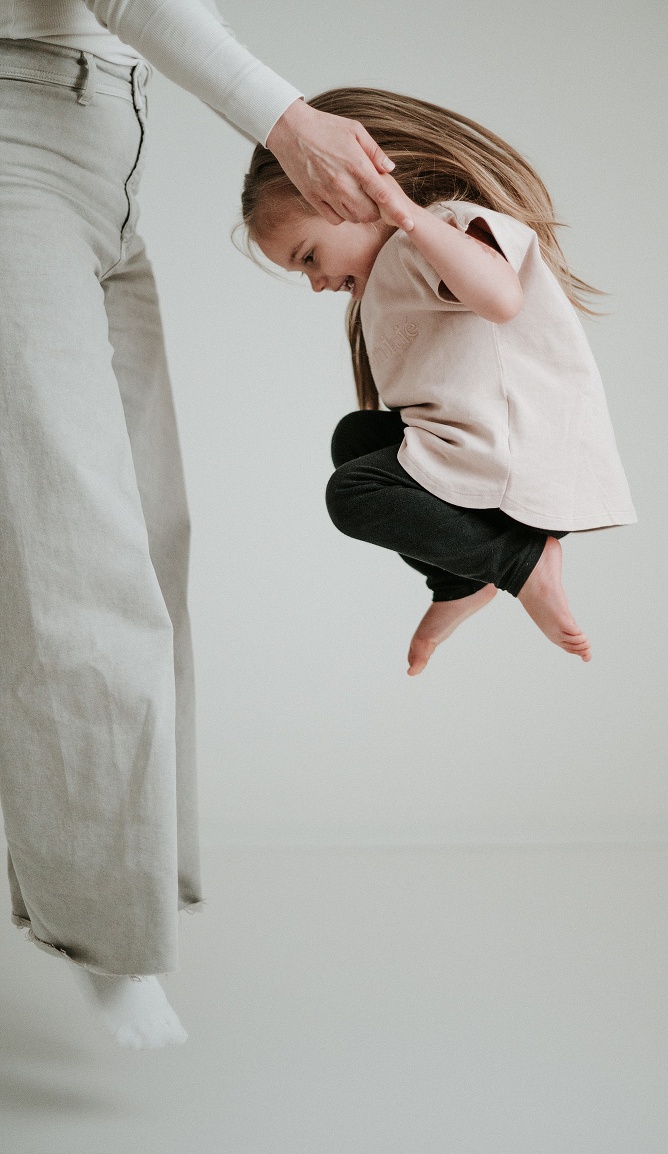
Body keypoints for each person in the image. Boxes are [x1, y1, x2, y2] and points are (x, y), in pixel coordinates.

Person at [0, 5, 412, 1050]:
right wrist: (280, 115)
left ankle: (115, 890)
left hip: (104, 145)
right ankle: (107, 931)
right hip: (19, 127)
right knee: (75, 550)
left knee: (149, 533)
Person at [241, 87, 637, 676]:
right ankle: (459, 579)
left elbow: (503, 297)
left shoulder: (435, 231)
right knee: (356, 441)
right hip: (479, 458)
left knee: (352, 494)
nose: (317, 282)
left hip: (516, 459)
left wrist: (402, 211)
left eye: (307, 256)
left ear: (356, 193)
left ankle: (519, 561)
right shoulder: (401, 262)